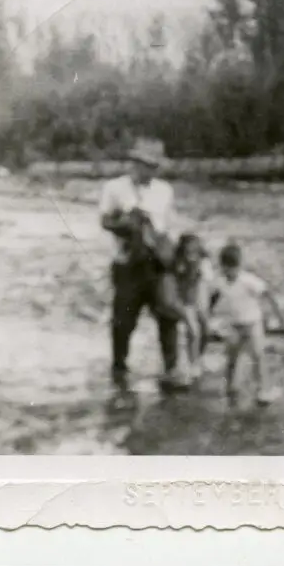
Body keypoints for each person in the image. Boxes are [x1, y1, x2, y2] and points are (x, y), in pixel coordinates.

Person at [99, 138, 187, 391]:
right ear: (133, 163)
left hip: (157, 262)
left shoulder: (164, 190)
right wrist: (126, 225)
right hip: (127, 262)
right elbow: (104, 221)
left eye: (150, 165)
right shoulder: (114, 188)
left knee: (168, 315)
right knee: (123, 320)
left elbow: (167, 226)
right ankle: (119, 367)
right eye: (140, 163)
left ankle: (171, 370)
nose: (144, 169)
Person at [209, 242, 284, 405]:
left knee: (258, 356)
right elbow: (214, 297)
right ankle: (230, 386)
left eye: (233, 268)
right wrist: (208, 313)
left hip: (252, 324)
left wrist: (279, 318)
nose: (230, 272)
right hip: (234, 325)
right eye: (226, 268)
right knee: (231, 357)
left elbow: (268, 294)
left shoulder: (248, 280)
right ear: (222, 267)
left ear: (239, 266)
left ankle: (264, 390)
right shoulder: (221, 282)